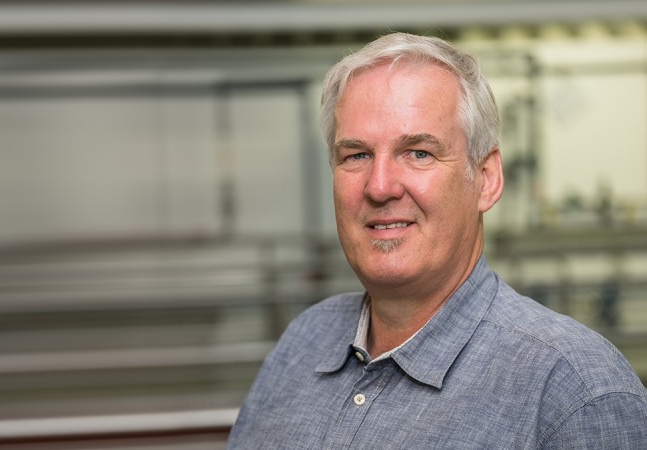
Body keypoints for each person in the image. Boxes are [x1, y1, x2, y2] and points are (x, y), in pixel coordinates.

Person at [227, 32, 647, 449]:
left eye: (419, 153)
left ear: (486, 179)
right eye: (357, 155)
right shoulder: (302, 343)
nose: (380, 186)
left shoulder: (575, 394)